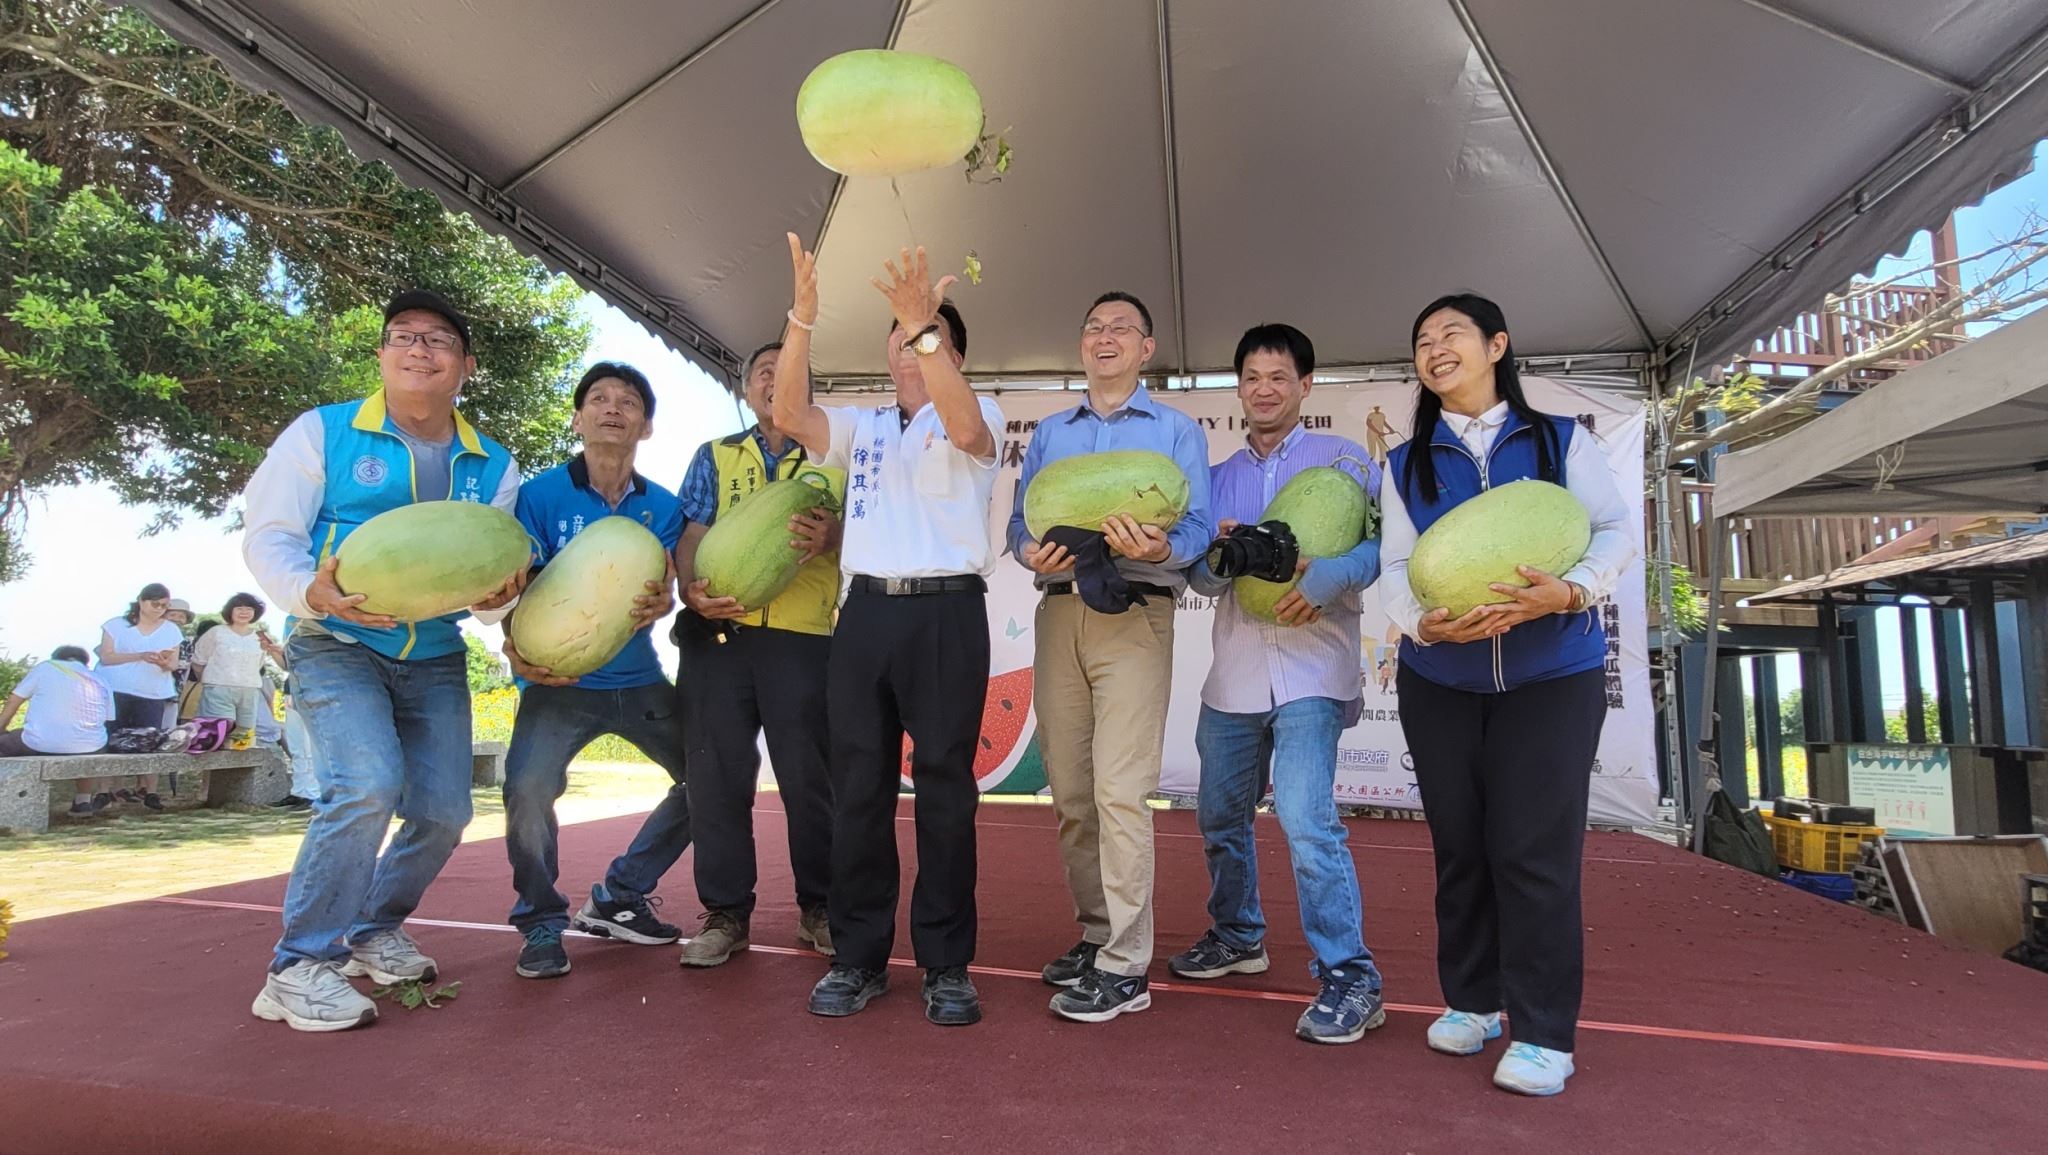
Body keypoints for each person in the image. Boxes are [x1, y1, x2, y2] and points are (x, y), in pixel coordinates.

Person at [241, 288, 527, 1032]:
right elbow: (269, 534)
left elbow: (486, 587)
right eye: (403, 335)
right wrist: (309, 592)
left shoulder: (493, 464)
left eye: (438, 339)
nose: (418, 349)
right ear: (381, 353)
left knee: (444, 811)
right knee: (364, 784)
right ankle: (298, 965)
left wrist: (499, 598)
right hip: (333, 642)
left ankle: (372, 927)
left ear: (466, 365)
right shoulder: (322, 431)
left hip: (432, 654)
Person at [1383, 293, 1634, 1096]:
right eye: (1423, 340)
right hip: (1441, 681)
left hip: (1550, 678)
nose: (1435, 347)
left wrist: (1571, 591)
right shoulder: (1405, 461)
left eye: (1451, 333)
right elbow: (1395, 568)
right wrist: (1422, 624)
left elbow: (1614, 529)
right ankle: (1473, 999)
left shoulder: (1559, 440)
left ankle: (1545, 1033)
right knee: (1461, 848)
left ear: (1497, 345)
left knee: (1533, 852)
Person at [772, 234, 1005, 1027]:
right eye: (899, 335)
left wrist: (924, 323)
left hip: (946, 613)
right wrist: (801, 319)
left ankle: (946, 963)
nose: (909, 344)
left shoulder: (979, 412)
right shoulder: (863, 425)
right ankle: (859, 956)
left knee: (945, 793)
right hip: (866, 613)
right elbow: (789, 413)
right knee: (859, 790)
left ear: (953, 353)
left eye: (927, 335)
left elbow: (967, 431)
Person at [1170, 323, 1388, 1044]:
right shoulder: (1215, 479)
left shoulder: (1345, 461)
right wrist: (1223, 557)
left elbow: (1381, 548)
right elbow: (1197, 577)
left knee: (1304, 817)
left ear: (1305, 386)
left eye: (1279, 377)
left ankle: (1351, 977)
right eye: (1252, 378)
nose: (1264, 390)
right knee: (1218, 817)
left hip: (1314, 666)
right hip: (1234, 671)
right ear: (1238, 387)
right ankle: (1237, 934)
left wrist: (1333, 574)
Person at [1005, 292, 1213, 1024]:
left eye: (1121, 327)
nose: (1105, 336)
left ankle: (1126, 966)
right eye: (1094, 326)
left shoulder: (1176, 431)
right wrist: (1026, 550)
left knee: (1121, 791)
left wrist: (1164, 546)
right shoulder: (1050, 434)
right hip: (1060, 610)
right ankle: (1098, 934)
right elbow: (1020, 522)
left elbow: (1199, 527)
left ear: (1146, 348)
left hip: (1136, 611)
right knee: (1071, 792)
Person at [497, 361, 689, 980]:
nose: (612, 408)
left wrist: (666, 601)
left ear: (646, 426)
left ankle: (620, 895)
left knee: (712, 776)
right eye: (598, 399)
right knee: (527, 792)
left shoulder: (664, 507)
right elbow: (513, 589)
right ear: (578, 419)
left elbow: (667, 588)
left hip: (639, 678)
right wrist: (513, 645)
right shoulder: (538, 496)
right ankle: (540, 923)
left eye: (628, 401)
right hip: (558, 682)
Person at [670, 341, 841, 968]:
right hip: (719, 636)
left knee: (811, 782)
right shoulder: (713, 455)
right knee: (715, 779)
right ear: (746, 390)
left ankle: (821, 908)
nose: (776, 380)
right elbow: (691, 533)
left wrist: (835, 536)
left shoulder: (836, 454)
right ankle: (725, 914)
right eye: (764, 371)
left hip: (805, 638)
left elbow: (874, 534)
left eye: (788, 372)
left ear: (808, 389)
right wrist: (690, 589)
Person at [92, 582, 183, 810]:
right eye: (155, 604)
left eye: (164, 605)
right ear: (141, 601)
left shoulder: (171, 630)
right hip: (116, 689)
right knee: (111, 739)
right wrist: (140, 656)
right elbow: (106, 657)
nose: (159, 609)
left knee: (151, 740)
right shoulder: (116, 625)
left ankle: (150, 791)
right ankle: (104, 790)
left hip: (152, 692)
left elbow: (173, 665)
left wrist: (162, 662)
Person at [0, 645, 114, 816]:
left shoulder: (46, 667)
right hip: (91, 746)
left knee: (9, 742)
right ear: (85, 663)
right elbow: (108, 718)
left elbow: (14, 702)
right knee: (88, 745)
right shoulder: (100, 680)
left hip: (40, 743)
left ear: (56, 658)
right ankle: (83, 801)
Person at [191, 593, 287, 745]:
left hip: (250, 691)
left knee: (243, 737)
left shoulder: (260, 636)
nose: (244, 612)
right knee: (217, 734)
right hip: (218, 690)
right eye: (239, 608)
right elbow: (198, 660)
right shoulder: (217, 632)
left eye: (249, 609)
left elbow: (262, 664)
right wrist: (209, 681)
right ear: (230, 611)